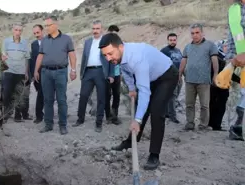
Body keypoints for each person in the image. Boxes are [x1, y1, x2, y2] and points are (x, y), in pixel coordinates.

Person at [99, 33, 178, 170]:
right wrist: (131, 88)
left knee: (156, 111)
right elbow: (126, 71)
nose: (108, 58)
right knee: (140, 108)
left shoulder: (137, 58)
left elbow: (144, 91)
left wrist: (138, 120)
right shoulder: (120, 56)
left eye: (110, 54)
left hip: (167, 76)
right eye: (105, 55)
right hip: (151, 76)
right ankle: (130, 142)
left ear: (121, 47)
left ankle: (154, 155)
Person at [33, 16, 77, 135]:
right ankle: (48, 124)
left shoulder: (66, 39)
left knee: (62, 100)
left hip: (60, 72)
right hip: (45, 72)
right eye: (45, 26)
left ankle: (62, 125)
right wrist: (36, 70)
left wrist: (73, 70)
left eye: (48, 25)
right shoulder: (45, 40)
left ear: (56, 25)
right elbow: (40, 56)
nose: (46, 28)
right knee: (48, 100)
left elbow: (72, 55)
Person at [72, 20, 114, 133]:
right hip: (88, 72)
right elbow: (84, 58)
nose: (95, 31)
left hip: (101, 71)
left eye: (97, 29)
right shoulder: (87, 42)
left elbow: (112, 59)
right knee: (83, 95)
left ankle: (98, 123)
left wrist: (111, 74)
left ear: (102, 30)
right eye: (93, 29)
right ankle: (80, 119)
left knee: (101, 98)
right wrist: (82, 73)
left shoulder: (107, 42)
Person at [179, 23, 219, 131]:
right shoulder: (187, 47)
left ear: (202, 33)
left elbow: (214, 60)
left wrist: (215, 74)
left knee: (204, 105)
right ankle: (190, 123)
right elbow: (183, 61)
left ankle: (203, 125)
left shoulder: (210, 45)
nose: (195, 35)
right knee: (189, 104)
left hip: (204, 80)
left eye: (197, 32)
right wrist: (179, 74)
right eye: (192, 33)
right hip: (189, 80)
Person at [2, 24, 30, 122]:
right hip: (9, 72)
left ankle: (18, 116)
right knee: (7, 94)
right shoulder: (6, 42)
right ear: (12, 30)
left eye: (20, 30)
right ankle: (5, 115)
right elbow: (3, 56)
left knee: (18, 94)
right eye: (16, 30)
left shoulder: (25, 43)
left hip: (20, 72)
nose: (18, 32)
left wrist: (26, 72)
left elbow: (27, 59)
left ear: (21, 31)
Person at [225, 0, 245, 140]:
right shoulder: (234, 9)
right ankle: (236, 127)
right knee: (236, 94)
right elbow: (235, 35)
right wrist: (236, 56)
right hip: (239, 61)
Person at [208, 40, 230, 131]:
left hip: (225, 87)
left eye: (228, 46)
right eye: (225, 46)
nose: (227, 48)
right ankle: (211, 124)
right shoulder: (215, 58)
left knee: (221, 106)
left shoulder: (228, 58)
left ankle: (217, 125)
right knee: (212, 105)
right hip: (214, 86)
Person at [160, 33, 182, 123]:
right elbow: (160, 64)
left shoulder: (178, 51)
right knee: (172, 96)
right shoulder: (164, 51)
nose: (173, 42)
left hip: (179, 77)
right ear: (168, 40)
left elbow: (181, 63)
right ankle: (173, 116)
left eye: (174, 40)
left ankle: (167, 113)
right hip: (169, 77)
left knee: (174, 96)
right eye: (171, 40)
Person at [30, 24, 45, 124]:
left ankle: (47, 114)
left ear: (42, 31)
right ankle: (39, 116)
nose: (36, 35)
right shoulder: (34, 44)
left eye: (38, 32)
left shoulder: (49, 41)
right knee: (40, 93)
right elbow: (33, 60)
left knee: (48, 94)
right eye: (34, 33)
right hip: (38, 73)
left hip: (49, 71)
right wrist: (32, 74)